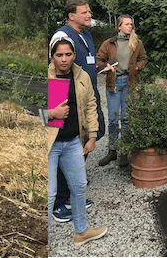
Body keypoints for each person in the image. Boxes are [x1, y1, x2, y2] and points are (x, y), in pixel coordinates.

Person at [47, 33, 108, 247]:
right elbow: (27, 114)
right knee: (50, 192)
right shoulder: (45, 78)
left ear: (74, 55)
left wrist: (92, 136)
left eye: (68, 54)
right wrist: (50, 114)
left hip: (73, 141)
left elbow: (91, 105)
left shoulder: (81, 76)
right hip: (50, 145)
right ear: (52, 56)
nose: (64, 59)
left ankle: (81, 232)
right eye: (59, 55)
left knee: (79, 186)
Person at [51, 0, 105, 222]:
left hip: (86, 94)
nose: (88, 15)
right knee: (65, 144)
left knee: (89, 137)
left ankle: (74, 194)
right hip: (66, 97)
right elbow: (56, 70)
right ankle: (59, 203)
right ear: (71, 15)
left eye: (89, 11)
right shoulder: (61, 36)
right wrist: (56, 107)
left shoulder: (86, 35)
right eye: (84, 12)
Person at [96, 14, 147, 167]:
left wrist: (137, 67)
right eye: (127, 24)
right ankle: (112, 150)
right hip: (114, 82)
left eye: (131, 24)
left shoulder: (136, 43)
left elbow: (143, 58)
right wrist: (107, 67)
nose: (130, 26)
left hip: (129, 82)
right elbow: (99, 59)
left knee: (126, 118)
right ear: (119, 26)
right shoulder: (109, 43)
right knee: (112, 117)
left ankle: (124, 150)